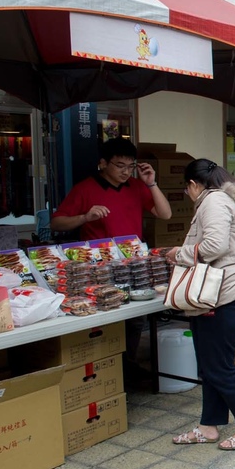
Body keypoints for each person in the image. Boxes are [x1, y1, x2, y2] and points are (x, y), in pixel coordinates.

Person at [51, 138, 173, 385]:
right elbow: (56, 223)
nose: (126, 171)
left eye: (130, 166)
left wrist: (152, 184)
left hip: (133, 265)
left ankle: (128, 365)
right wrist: (85, 217)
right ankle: (107, 369)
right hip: (99, 270)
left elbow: (165, 214)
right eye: (119, 165)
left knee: (136, 319)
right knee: (106, 317)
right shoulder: (85, 189)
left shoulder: (138, 187)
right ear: (103, 163)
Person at [169, 159, 235, 450]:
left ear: (192, 185)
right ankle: (208, 427)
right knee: (210, 366)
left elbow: (214, 246)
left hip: (223, 297)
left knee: (220, 366)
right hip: (216, 296)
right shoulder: (222, 200)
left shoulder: (212, 202)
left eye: (187, 190)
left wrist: (179, 253)